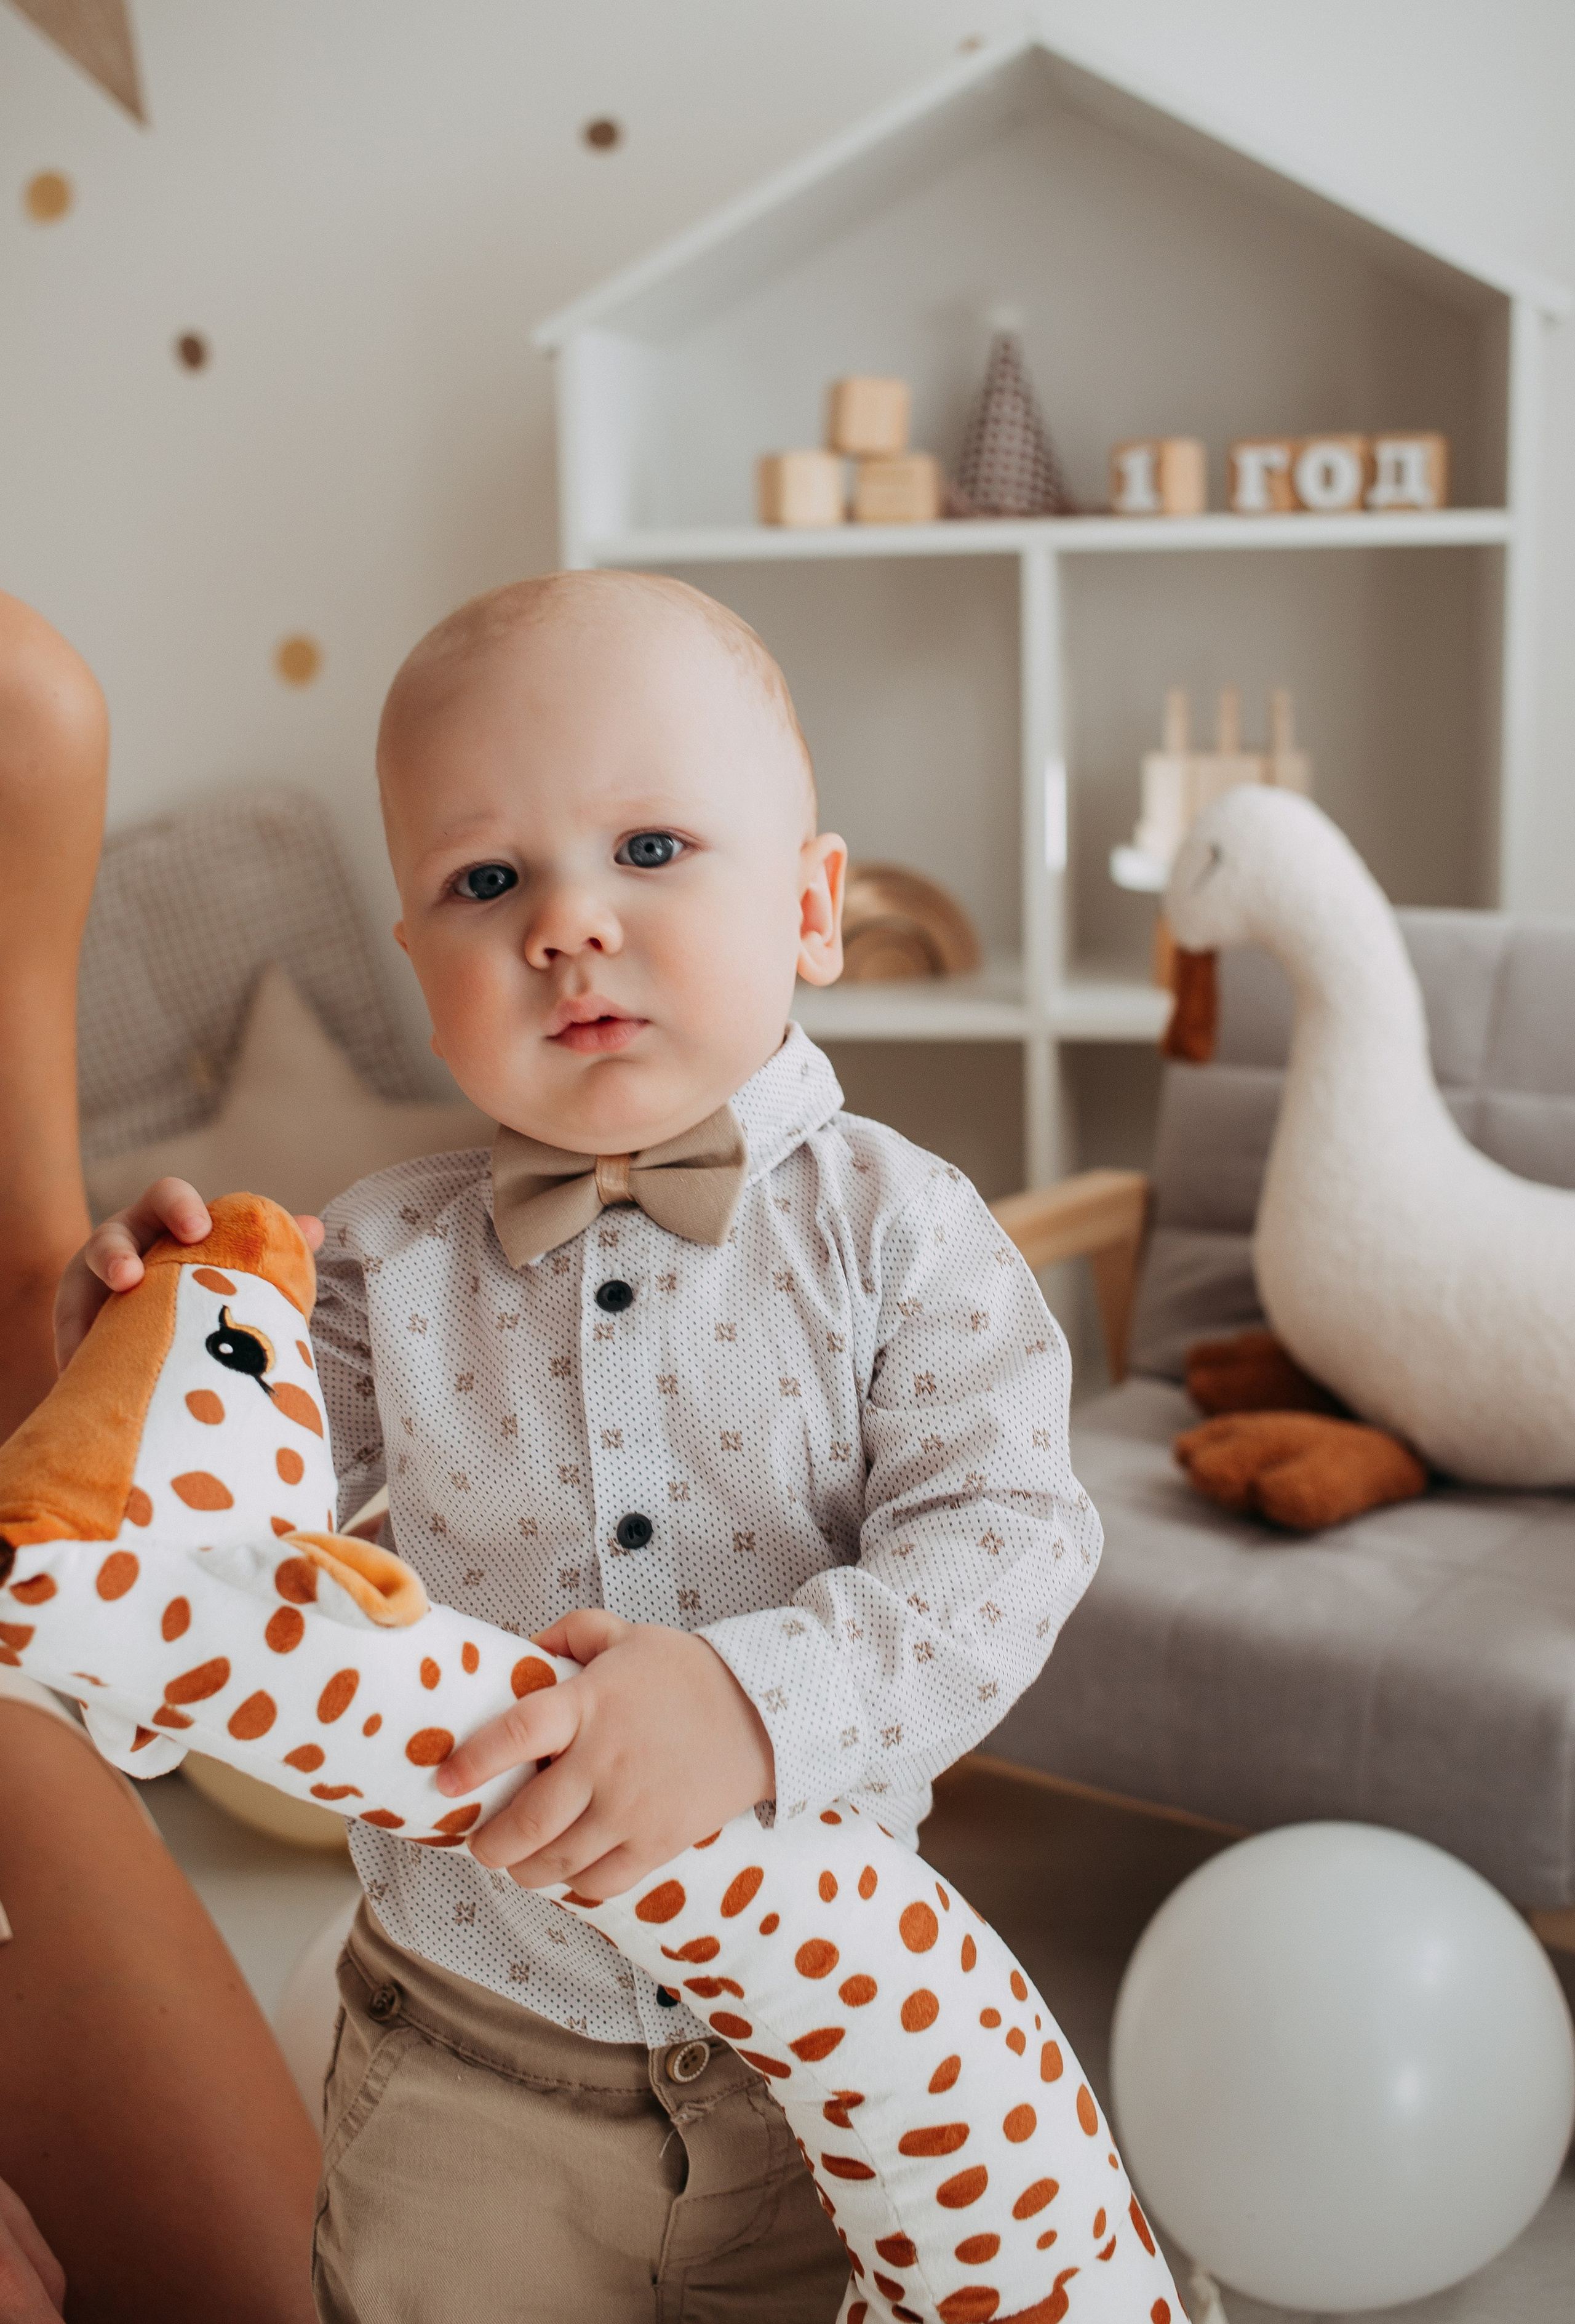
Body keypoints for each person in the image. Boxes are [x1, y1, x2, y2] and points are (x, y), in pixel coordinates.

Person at [60, 571, 1102, 2322]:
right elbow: (221, 1521)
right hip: (472, 2058)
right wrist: (155, 1355)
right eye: (488, 880)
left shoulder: (901, 1231)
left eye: (649, 848)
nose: (564, 924)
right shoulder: (375, 1259)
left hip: (819, 2058)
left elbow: (1006, 1537)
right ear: (421, 957)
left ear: (813, 905)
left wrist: (751, 1699)